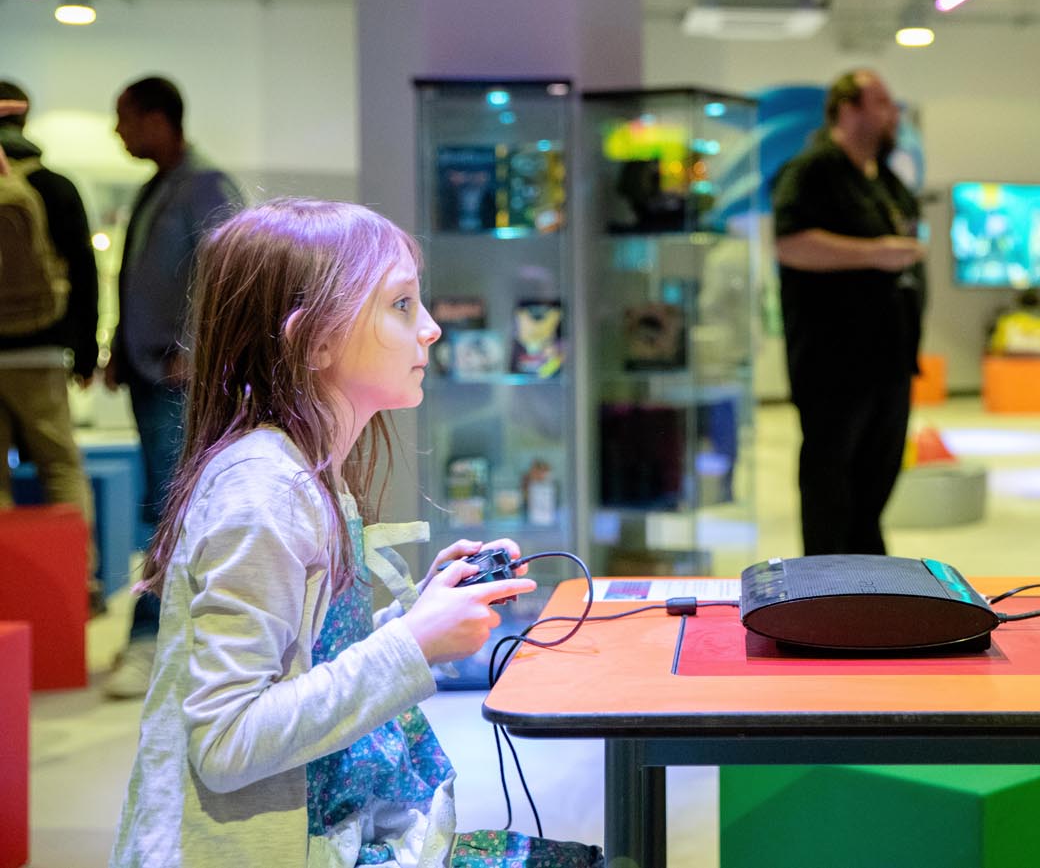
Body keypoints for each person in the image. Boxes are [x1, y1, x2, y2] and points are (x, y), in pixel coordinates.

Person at [108, 198, 601, 868]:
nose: (429, 329)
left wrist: (417, 614)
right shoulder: (264, 493)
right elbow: (225, 741)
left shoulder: (303, 473)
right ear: (315, 340)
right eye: (401, 305)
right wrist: (410, 642)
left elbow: (307, 661)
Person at [104, 75, 243, 699]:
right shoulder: (159, 188)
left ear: (158, 121)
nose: (118, 132)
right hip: (147, 371)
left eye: (126, 119)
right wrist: (116, 348)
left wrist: (195, 344)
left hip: (178, 377)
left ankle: (152, 639)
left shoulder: (204, 186)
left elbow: (233, 270)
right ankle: (157, 635)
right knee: (160, 505)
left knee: (170, 507)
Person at [774, 69, 925, 556]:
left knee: (873, 489)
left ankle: (868, 588)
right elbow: (790, 245)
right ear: (848, 108)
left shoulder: (885, 180)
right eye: (880, 101)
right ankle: (823, 592)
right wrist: (874, 252)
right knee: (830, 486)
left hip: (890, 362)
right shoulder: (813, 171)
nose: (892, 113)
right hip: (835, 365)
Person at [0, 83, 104, 610]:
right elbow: (83, 276)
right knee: (59, 464)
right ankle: (76, 582)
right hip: (40, 351)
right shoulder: (55, 186)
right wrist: (84, 352)